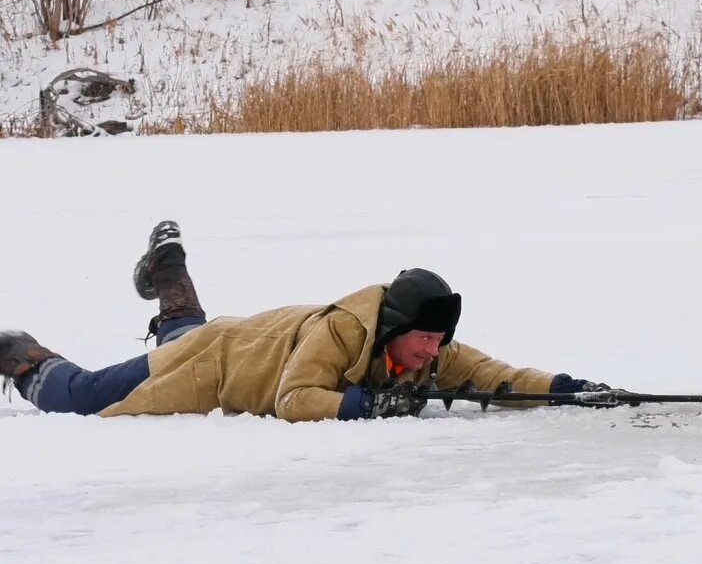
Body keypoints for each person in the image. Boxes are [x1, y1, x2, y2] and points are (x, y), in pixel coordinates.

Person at [0, 221, 611, 422]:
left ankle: (168, 268)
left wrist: (565, 389)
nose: (435, 351)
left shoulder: (426, 345)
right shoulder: (344, 332)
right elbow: (295, 398)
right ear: (396, 327)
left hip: (245, 338)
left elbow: (494, 375)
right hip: (220, 362)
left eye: (439, 340)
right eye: (426, 338)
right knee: (79, 398)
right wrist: (370, 406)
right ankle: (19, 352)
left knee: (183, 328)